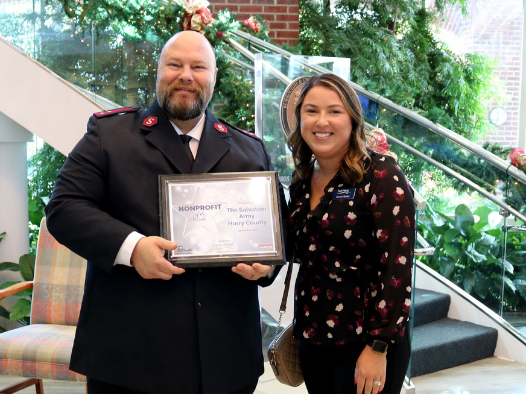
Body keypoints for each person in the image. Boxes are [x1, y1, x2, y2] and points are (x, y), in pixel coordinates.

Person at [45, 31, 285, 394]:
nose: (186, 75)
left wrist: (266, 265)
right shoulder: (109, 136)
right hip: (130, 361)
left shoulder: (250, 151)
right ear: (158, 72)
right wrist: (132, 248)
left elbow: (277, 230)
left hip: (226, 359)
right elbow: (64, 207)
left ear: (213, 77)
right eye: (175, 64)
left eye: (198, 67)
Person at [286, 74, 415, 394]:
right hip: (313, 336)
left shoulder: (381, 174)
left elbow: (396, 267)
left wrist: (378, 346)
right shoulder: (301, 179)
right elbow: (300, 251)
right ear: (299, 118)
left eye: (334, 111)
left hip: (365, 344)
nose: (322, 121)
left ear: (353, 119)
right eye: (311, 111)